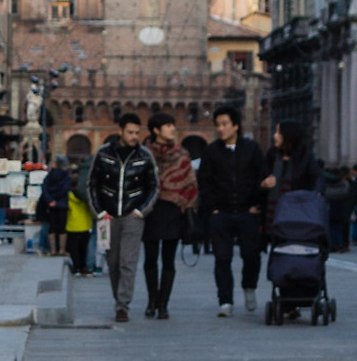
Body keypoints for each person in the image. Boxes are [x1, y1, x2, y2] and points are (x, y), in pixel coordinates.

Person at [88, 114, 158, 325]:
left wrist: (141, 211)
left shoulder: (145, 156)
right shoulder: (103, 154)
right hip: (108, 215)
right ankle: (118, 298)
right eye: (130, 132)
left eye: (137, 133)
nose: (134, 136)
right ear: (120, 131)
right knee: (113, 262)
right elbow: (92, 183)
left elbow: (154, 186)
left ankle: (122, 306)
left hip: (132, 215)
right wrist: (99, 212)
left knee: (128, 262)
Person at [198, 103, 266, 315]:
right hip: (222, 213)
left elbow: (261, 176)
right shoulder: (211, 151)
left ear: (236, 126)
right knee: (222, 257)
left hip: (248, 211)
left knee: (252, 254)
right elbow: (204, 181)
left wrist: (257, 205)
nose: (220, 129)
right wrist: (213, 209)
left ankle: (249, 287)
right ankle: (225, 301)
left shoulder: (252, 149)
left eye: (225, 124)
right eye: (217, 125)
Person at [143, 112, 198, 317]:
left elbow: (190, 183)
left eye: (173, 125)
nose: (172, 129)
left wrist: (185, 202)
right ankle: (151, 300)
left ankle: (163, 303)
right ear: (156, 130)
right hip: (150, 209)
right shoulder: (144, 153)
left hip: (173, 210)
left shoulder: (182, 154)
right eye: (168, 125)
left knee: (168, 259)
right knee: (149, 258)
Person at [261, 120, 321, 215]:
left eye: (278, 132)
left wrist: (317, 193)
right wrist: (263, 184)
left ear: (288, 135)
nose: (275, 136)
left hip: (297, 210)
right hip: (271, 211)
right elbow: (260, 177)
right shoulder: (271, 154)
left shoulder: (304, 156)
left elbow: (317, 177)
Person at [35, 156, 71, 258]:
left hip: (51, 205)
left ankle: (52, 250)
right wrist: (57, 200)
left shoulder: (50, 175)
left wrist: (50, 200)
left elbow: (44, 188)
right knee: (62, 227)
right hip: (62, 204)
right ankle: (61, 250)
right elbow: (65, 189)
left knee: (52, 227)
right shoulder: (66, 175)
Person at [63, 173, 94, 277]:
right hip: (85, 225)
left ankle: (76, 268)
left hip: (72, 226)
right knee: (83, 248)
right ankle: (83, 267)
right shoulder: (85, 197)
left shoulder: (68, 196)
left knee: (74, 249)